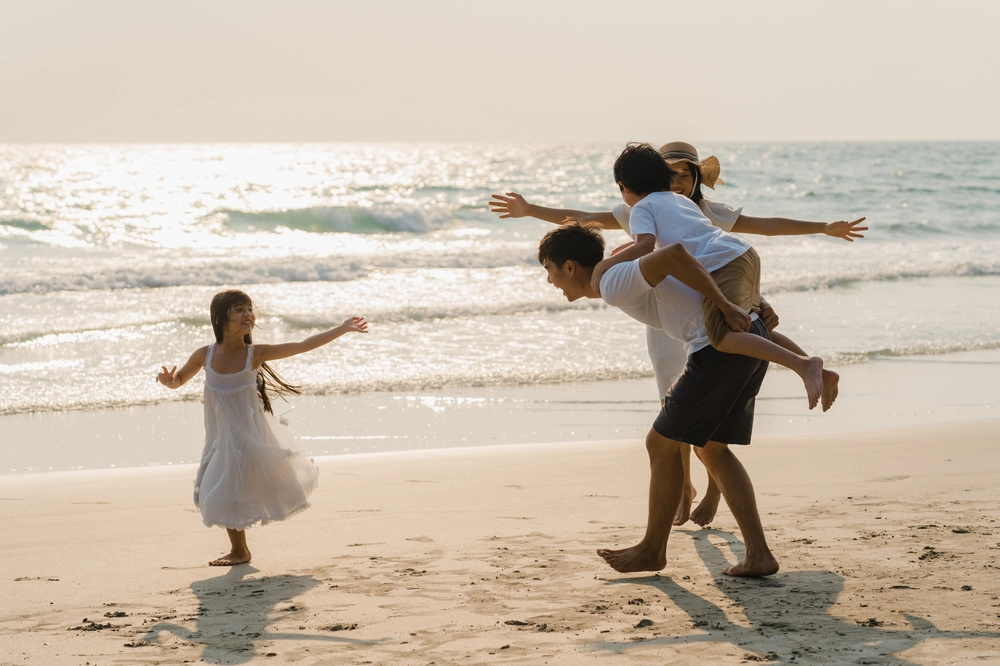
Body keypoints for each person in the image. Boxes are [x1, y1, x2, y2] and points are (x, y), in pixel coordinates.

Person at [490, 141, 866, 525]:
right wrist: (531, 210)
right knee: (684, 410)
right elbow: (583, 220)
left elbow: (690, 248)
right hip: (685, 299)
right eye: (675, 174)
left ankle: (803, 366)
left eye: (687, 174)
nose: (680, 181)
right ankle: (685, 489)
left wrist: (606, 269)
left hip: (701, 294)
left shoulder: (653, 211)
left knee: (704, 380)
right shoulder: (672, 207)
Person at [538, 222, 778, 576]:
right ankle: (759, 554)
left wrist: (739, 304)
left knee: (660, 444)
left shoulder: (612, 281)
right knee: (711, 448)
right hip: (740, 342)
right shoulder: (616, 273)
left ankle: (652, 550)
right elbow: (683, 262)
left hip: (716, 350)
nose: (550, 281)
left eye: (549, 271)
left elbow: (675, 254)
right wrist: (755, 305)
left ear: (570, 267)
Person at [594, 143, 840, 412]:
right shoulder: (680, 202)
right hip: (740, 254)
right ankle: (814, 368)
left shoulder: (641, 208)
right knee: (754, 326)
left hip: (721, 264)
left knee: (722, 337)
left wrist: (603, 266)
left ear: (624, 187)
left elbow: (644, 247)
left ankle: (805, 365)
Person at [156, 289, 368, 566]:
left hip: (250, 436)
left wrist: (342, 328)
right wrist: (168, 380)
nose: (248, 315)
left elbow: (303, 344)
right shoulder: (204, 355)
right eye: (239, 310)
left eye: (249, 309)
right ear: (220, 318)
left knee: (233, 487)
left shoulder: (255, 354)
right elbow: (178, 382)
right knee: (219, 489)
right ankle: (240, 550)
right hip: (221, 437)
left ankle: (240, 551)